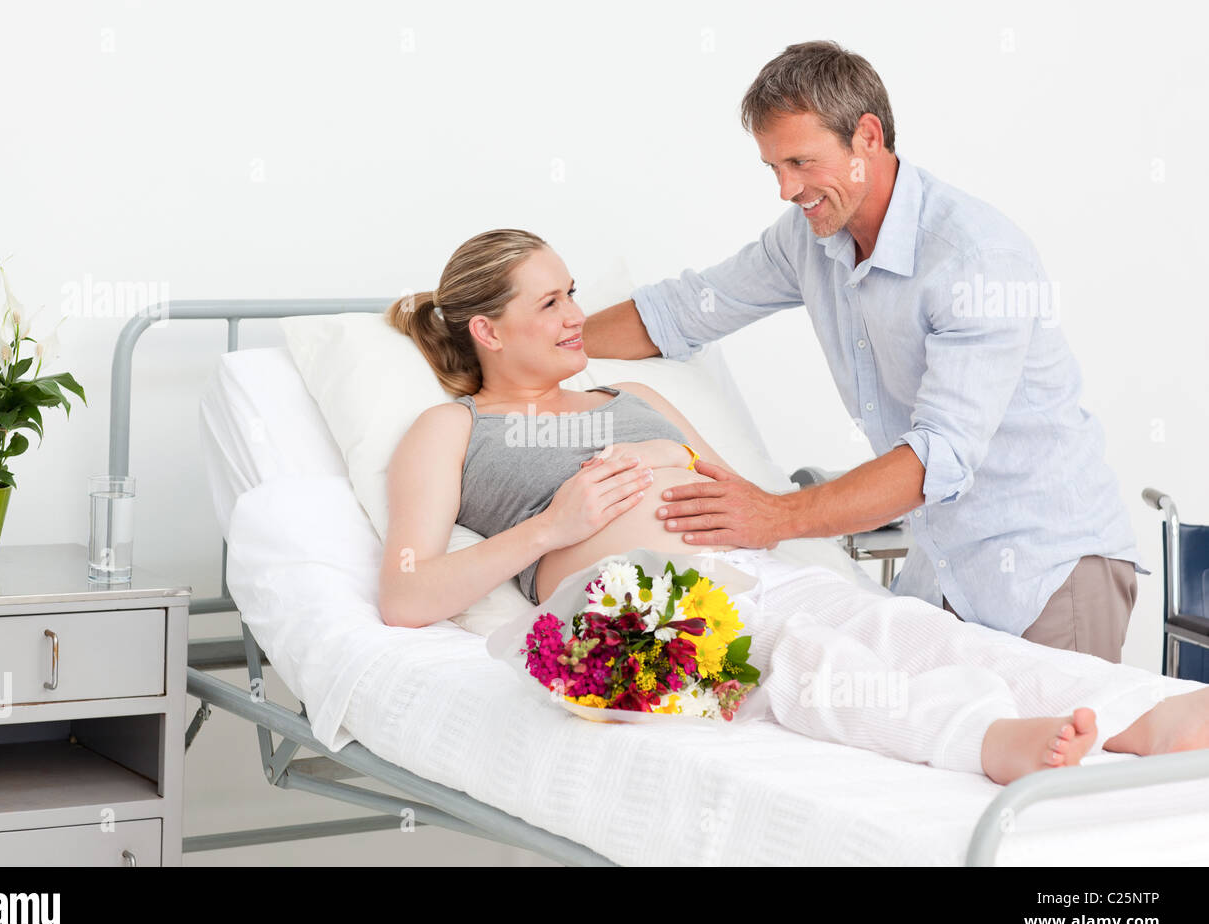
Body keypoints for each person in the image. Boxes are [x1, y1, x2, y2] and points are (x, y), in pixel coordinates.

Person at [376, 227, 1209, 786]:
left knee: (917, 633)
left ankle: (1147, 716)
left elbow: (745, 500)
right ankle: (983, 741)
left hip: (746, 572)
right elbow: (407, 595)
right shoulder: (451, 428)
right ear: (486, 330)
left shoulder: (627, 393)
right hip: (625, 611)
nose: (574, 318)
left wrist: (687, 469)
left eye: (572, 294)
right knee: (804, 659)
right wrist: (554, 525)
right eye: (549, 303)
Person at [580, 41, 1141, 664]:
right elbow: (684, 310)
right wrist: (543, 341)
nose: (787, 189)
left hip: (1046, 573)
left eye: (801, 161)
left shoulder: (976, 259)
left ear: (867, 137)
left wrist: (774, 516)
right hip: (940, 574)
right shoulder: (809, 237)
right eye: (774, 168)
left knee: (1056, 757)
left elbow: (939, 456)